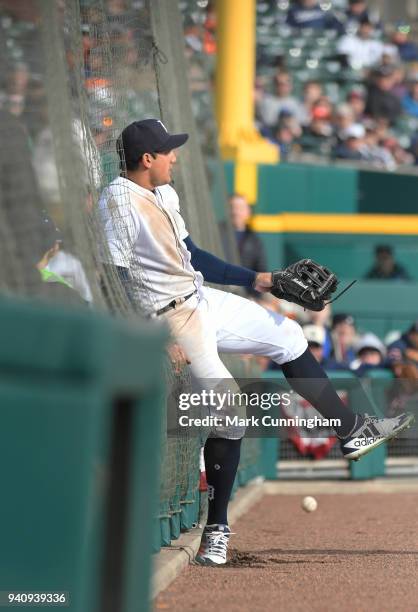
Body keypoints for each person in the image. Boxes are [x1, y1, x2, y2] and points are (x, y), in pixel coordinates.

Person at [98, 118, 413, 566]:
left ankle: (350, 429)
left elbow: (195, 258)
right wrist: (150, 336)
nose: (176, 156)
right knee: (229, 414)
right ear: (147, 159)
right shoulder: (117, 202)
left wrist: (259, 279)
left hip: (199, 299)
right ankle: (216, 531)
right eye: (168, 151)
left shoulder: (163, 192)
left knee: (287, 335)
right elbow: (114, 276)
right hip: (167, 318)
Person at [228, 193, 267, 277]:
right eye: (232, 207)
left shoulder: (255, 241)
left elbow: (261, 271)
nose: (235, 212)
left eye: (240, 208)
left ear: (248, 212)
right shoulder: (217, 234)